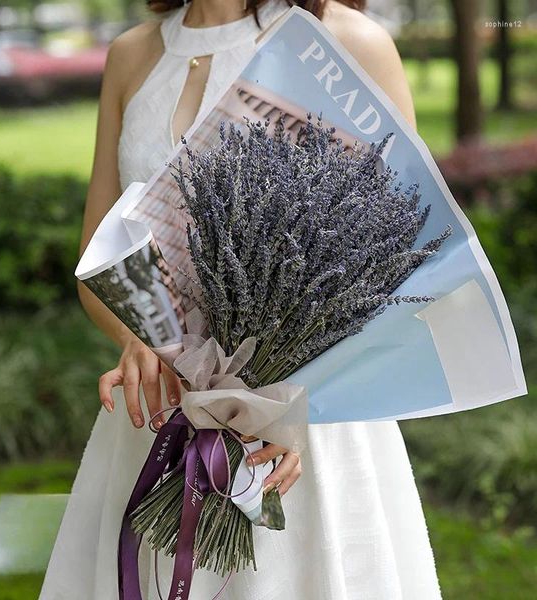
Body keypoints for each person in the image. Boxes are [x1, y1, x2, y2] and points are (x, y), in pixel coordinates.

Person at [39, 1, 442, 598]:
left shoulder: (346, 42)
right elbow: (93, 260)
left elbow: (400, 250)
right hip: (160, 410)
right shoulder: (132, 55)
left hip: (302, 426)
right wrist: (137, 337)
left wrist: (291, 403)